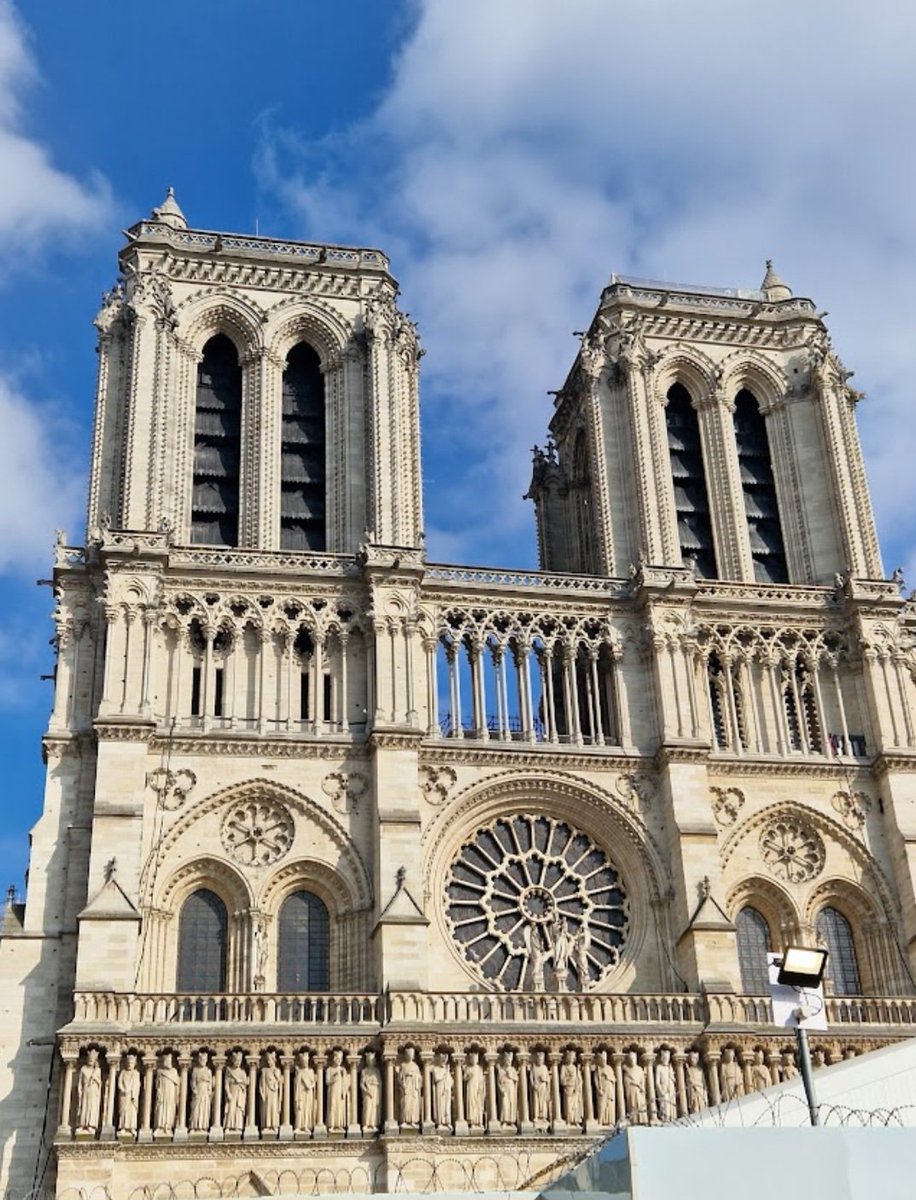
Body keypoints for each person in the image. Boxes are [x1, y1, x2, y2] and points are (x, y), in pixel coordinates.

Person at [77, 1048, 103, 1132]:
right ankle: (82, 1124)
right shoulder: (83, 1069)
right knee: (84, 1107)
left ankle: (90, 1125)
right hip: (85, 1091)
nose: (91, 1061)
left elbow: (100, 1083)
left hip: (94, 1092)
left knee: (92, 1107)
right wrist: (79, 1091)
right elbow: (80, 1082)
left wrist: (95, 1078)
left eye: (93, 1060)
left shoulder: (97, 1070)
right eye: (90, 1059)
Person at [153, 1052, 180, 1135]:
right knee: (161, 1108)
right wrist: (159, 1091)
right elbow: (157, 1084)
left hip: (171, 1094)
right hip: (162, 1093)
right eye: (165, 1061)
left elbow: (177, 1083)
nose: (167, 1063)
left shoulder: (174, 1071)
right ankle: (160, 1126)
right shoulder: (160, 1072)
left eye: (168, 1061)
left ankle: (168, 1126)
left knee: (170, 1108)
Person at [188, 1050, 213, 1132]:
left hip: (205, 1092)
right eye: (201, 1060)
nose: (203, 1062)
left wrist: (209, 1090)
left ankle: (203, 1126)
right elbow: (193, 1081)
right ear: (199, 1060)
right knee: (196, 1109)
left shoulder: (208, 1071)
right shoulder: (195, 1070)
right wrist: (194, 1090)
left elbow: (210, 1083)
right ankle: (194, 1126)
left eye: (204, 1060)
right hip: (198, 1091)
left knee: (204, 1109)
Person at [397, 1047, 422, 1126]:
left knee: (414, 1104)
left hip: (414, 1088)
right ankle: (404, 1120)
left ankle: (413, 1121)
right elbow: (399, 1077)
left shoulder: (415, 1066)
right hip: (406, 1087)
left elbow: (420, 1078)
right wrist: (402, 1083)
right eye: (408, 1054)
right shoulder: (403, 1065)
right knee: (405, 1103)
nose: (410, 1055)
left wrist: (414, 1075)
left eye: (411, 1054)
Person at [117, 1052, 140, 1135]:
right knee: (123, 1111)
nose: (130, 1064)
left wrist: (133, 1094)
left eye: (132, 1063)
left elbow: (137, 1085)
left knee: (132, 1111)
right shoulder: (123, 1072)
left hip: (131, 1096)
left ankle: (132, 1127)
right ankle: (123, 1127)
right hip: (123, 1095)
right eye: (128, 1063)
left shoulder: (136, 1073)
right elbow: (119, 1083)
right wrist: (123, 1090)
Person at [224, 1050, 247, 1133]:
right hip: (232, 1091)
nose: (238, 1063)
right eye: (236, 1061)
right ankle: (228, 1126)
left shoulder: (242, 1072)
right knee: (231, 1109)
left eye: (239, 1061)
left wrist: (240, 1082)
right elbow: (226, 1083)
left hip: (240, 1093)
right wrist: (228, 1093)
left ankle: (238, 1127)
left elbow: (246, 1082)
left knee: (238, 1109)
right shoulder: (229, 1071)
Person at [326, 1049, 349, 1132]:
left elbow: (346, 1082)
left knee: (340, 1107)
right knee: (332, 1106)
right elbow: (327, 1081)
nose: (339, 1061)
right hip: (332, 1091)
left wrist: (344, 1077)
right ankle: (332, 1124)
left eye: (340, 1059)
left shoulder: (343, 1070)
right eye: (338, 1059)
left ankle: (339, 1124)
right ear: (334, 1059)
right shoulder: (329, 1069)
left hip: (340, 1091)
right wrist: (334, 1078)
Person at [259, 1049, 282, 1131]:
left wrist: (277, 1076)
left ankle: (274, 1125)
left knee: (274, 1108)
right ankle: (267, 1125)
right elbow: (261, 1083)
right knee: (267, 1108)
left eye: (270, 1060)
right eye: (268, 1060)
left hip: (274, 1093)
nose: (269, 1062)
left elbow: (280, 1082)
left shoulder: (277, 1071)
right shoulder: (265, 1071)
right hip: (267, 1093)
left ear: (274, 1060)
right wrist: (262, 1093)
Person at [293, 1051, 316, 1132]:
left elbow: (313, 1082)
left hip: (308, 1093)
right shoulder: (299, 1072)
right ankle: (299, 1126)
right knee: (299, 1108)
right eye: (303, 1061)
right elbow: (296, 1083)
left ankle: (306, 1125)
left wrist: (309, 1085)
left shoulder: (311, 1071)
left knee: (307, 1109)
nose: (305, 1063)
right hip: (300, 1093)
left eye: (306, 1061)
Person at [622, 1051, 646, 1124]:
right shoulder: (627, 1071)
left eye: (634, 1058)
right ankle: (634, 1120)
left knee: (641, 1104)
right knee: (633, 1105)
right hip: (631, 1091)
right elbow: (626, 1082)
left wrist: (638, 1085)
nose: (632, 1060)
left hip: (639, 1091)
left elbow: (643, 1082)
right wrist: (630, 1083)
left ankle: (643, 1120)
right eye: (631, 1058)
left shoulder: (640, 1069)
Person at [559, 1049, 583, 1126]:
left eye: (573, 1058)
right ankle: (568, 1120)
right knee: (568, 1106)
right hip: (568, 1089)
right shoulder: (564, 1067)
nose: (571, 1059)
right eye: (570, 1057)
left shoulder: (575, 1068)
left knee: (575, 1106)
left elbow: (578, 1079)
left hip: (575, 1089)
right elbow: (562, 1079)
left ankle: (575, 1121)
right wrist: (568, 1081)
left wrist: (578, 1085)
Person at [430, 1052, 453, 1128]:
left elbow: (451, 1082)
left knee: (447, 1106)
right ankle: (440, 1122)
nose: (443, 1062)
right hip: (439, 1089)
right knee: (440, 1105)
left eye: (445, 1061)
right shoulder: (435, 1069)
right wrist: (445, 1073)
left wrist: (448, 1073)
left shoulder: (447, 1071)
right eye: (442, 1060)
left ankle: (447, 1122)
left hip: (446, 1090)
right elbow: (437, 1078)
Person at [360, 1050, 381, 1130]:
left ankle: (373, 1124)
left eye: (372, 1060)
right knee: (367, 1107)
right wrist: (366, 1090)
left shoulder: (376, 1071)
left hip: (375, 1091)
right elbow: (361, 1083)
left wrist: (374, 1082)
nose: (370, 1061)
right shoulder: (364, 1071)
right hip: (367, 1092)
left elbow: (379, 1082)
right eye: (369, 1060)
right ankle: (366, 1123)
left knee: (374, 1108)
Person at [497, 1050, 518, 1127]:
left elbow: (516, 1079)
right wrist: (501, 1090)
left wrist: (510, 1076)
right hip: (504, 1089)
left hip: (511, 1088)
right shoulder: (501, 1070)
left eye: (509, 1060)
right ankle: (504, 1121)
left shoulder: (512, 1070)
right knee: (504, 1104)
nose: (508, 1062)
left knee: (512, 1103)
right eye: (507, 1060)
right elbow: (498, 1081)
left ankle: (512, 1121)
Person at [594, 1050, 615, 1126]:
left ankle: (609, 1122)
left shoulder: (609, 1068)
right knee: (601, 1105)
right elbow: (595, 1080)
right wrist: (598, 1089)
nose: (604, 1062)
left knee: (609, 1105)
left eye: (605, 1060)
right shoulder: (598, 1069)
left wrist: (607, 1076)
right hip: (601, 1089)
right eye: (602, 1060)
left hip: (609, 1088)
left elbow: (614, 1079)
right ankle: (600, 1120)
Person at [654, 1048, 676, 1122]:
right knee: (665, 1107)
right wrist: (661, 1091)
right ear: (662, 1058)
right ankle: (665, 1120)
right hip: (663, 1089)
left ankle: (672, 1119)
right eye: (665, 1058)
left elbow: (674, 1079)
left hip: (671, 1089)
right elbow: (657, 1082)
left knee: (671, 1106)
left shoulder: (670, 1067)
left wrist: (671, 1074)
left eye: (668, 1058)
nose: (666, 1060)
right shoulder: (659, 1067)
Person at [530, 1050, 551, 1127]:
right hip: (536, 1087)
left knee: (543, 1102)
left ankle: (543, 1117)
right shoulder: (534, 1068)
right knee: (536, 1102)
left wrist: (544, 1079)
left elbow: (548, 1078)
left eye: (542, 1060)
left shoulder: (545, 1068)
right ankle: (536, 1116)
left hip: (543, 1087)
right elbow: (531, 1078)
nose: (540, 1061)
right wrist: (533, 1085)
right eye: (539, 1060)